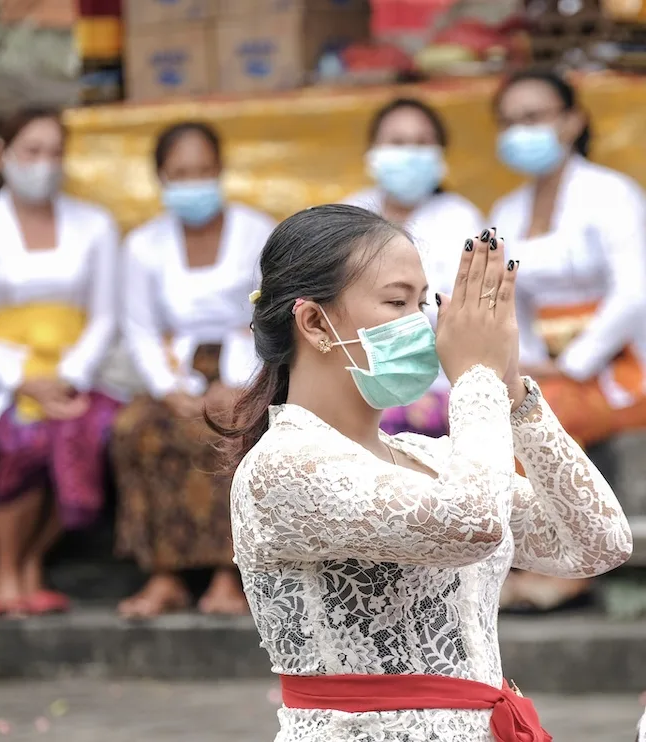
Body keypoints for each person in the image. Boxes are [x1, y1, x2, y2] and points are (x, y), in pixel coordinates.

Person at [218, 206, 631, 741]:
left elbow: (596, 543)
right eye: (396, 301)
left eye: (422, 302)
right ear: (315, 322)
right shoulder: (283, 466)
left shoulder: (429, 457)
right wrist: (475, 379)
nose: (424, 325)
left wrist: (513, 393)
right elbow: (472, 525)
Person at [0, 107, 121, 617]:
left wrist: (67, 379)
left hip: (77, 379)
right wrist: (25, 381)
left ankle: (32, 560)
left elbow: (105, 318)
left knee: (95, 431)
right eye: (31, 151)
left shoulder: (96, 225)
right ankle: (6, 570)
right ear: (2, 154)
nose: (43, 164)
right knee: (29, 435)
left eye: (55, 153)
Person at [490, 68, 646, 613]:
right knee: (498, 404)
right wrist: (529, 360)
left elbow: (634, 293)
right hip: (542, 365)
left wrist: (573, 364)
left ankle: (570, 566)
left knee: (541, 410)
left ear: (573, 120)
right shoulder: (506, 211)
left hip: (617, 364)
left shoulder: (612, 194)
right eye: (509, 122)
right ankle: (512, 561)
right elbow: (509, 297)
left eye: (533, 117)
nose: (520, 131)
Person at [113, 121, 275, 618]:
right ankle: (163, 575)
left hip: (244, 370)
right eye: (180, 172)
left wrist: (243, 386)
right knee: (136, 431)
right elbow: (138, 327)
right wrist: (168, 390)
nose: (193, 181)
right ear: (160, 177)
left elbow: (271, 313)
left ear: (221, 170)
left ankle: (231, 577)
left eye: (203, 170)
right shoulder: (143, 245)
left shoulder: (257, 230)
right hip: (174, 371)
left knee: (232, 429)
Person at [343, 98, 483, 438]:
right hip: (355, 377)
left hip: (442, 381)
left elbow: (469, 311)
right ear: (372, 152)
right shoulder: (348, 213)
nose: (409, 153)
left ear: (440, 155)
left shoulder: (462, 218)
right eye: (397, 142)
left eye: (422, 143)